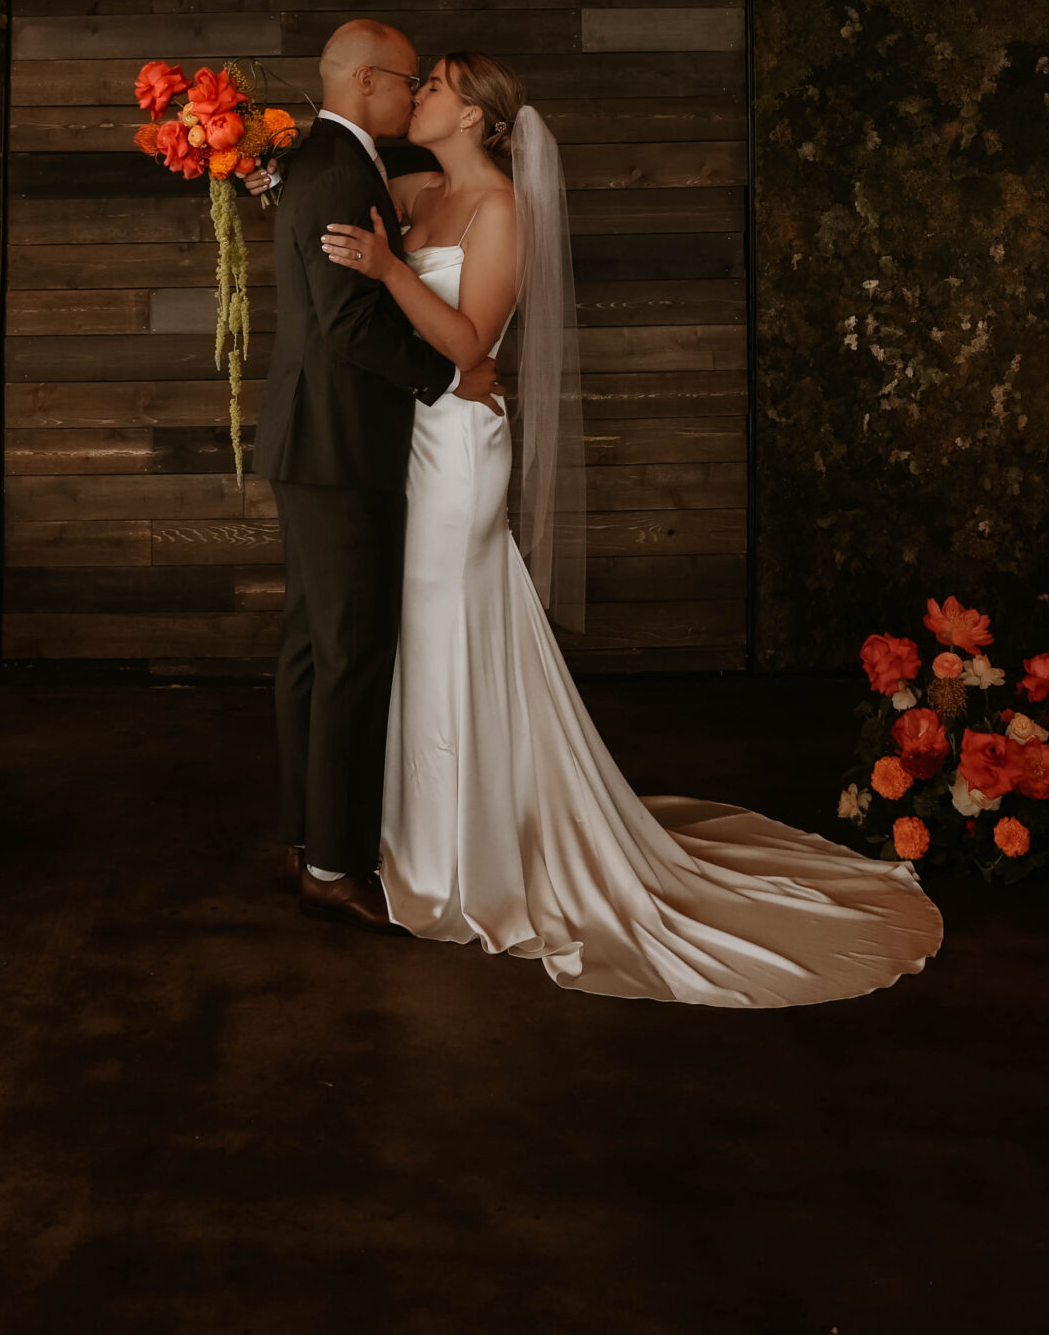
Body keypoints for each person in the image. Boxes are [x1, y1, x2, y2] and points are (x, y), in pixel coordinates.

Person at [317, 49, 945, 1007]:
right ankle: (417, 833)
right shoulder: (413, 190)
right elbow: (334, 168)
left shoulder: (500, 212)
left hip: (460, 452)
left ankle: (459, 865)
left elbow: (467, 344)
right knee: (419, 632)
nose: (421, 95)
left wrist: (392, 271)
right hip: (408, 439)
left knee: (447, 627)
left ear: (477, 118)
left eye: (436, 86)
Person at [254, 19, 503, 933]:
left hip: (317, 441)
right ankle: (332, 862)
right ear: (365, 82)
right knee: (349, 650)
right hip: (338, 445)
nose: (411, 96)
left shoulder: (326, 161)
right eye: (407, 80)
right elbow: (346, 328)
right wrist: (451, 377)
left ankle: (304, 831)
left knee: (314, 649)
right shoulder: (335, 167)